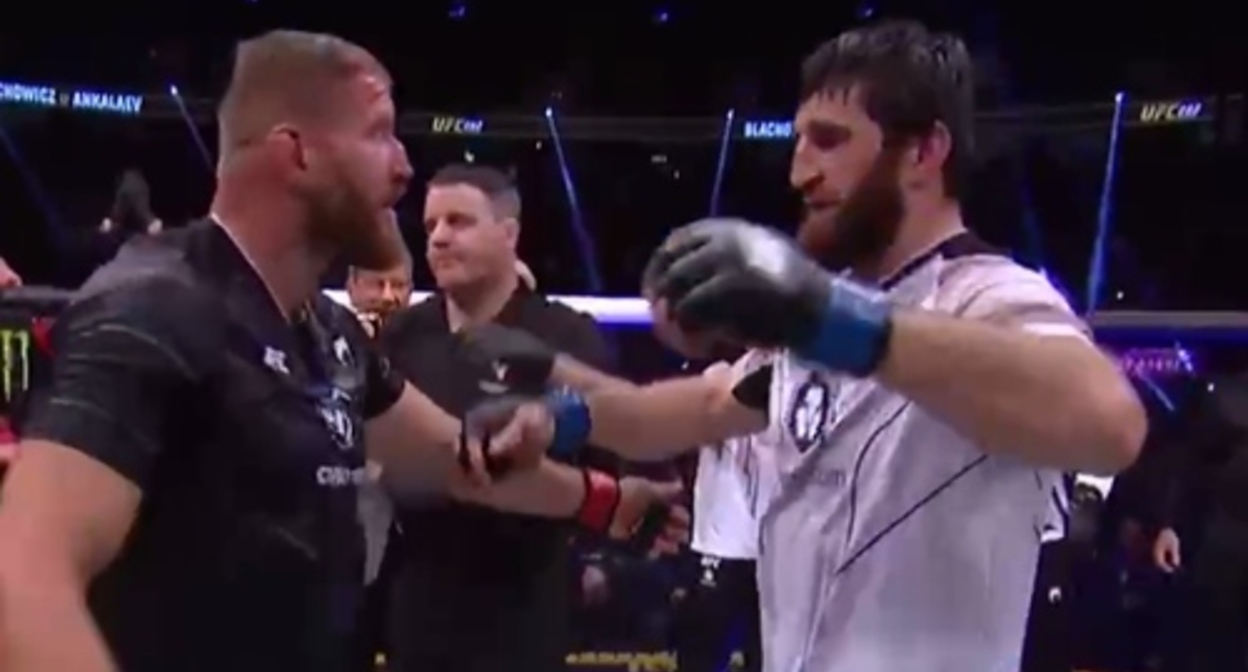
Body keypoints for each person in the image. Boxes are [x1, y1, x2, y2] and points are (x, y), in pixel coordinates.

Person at [466, 21, 1146, 672]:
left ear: (922, 151)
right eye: (799, 142)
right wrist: (560, 414)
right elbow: (697, 407)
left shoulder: (993, 296)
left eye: (829, 141)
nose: (799, 173)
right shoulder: (817, 313)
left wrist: (844, 326)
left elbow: (1110, 423)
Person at [0, 31, 675, 672]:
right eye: (379, 134)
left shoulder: (330, 333)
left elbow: (463, 461)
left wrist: (603, 500)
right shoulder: (156, 304)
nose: (405, 165)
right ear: (296, 153)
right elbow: (23, 571)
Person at [378, 163, 683, 672]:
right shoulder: (402, 338)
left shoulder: (566, 338)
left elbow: (621, 461)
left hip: (527, 609)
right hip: (418, 607)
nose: (439, 239)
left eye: (458, 221)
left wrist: (608, 547)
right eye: (431, 226)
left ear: (509, 233)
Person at [675, 354, 773, 672]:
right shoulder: (719, 375)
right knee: (701, 656)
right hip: (721, 545)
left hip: (778, 548)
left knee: (771, 655)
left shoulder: (808, 377)